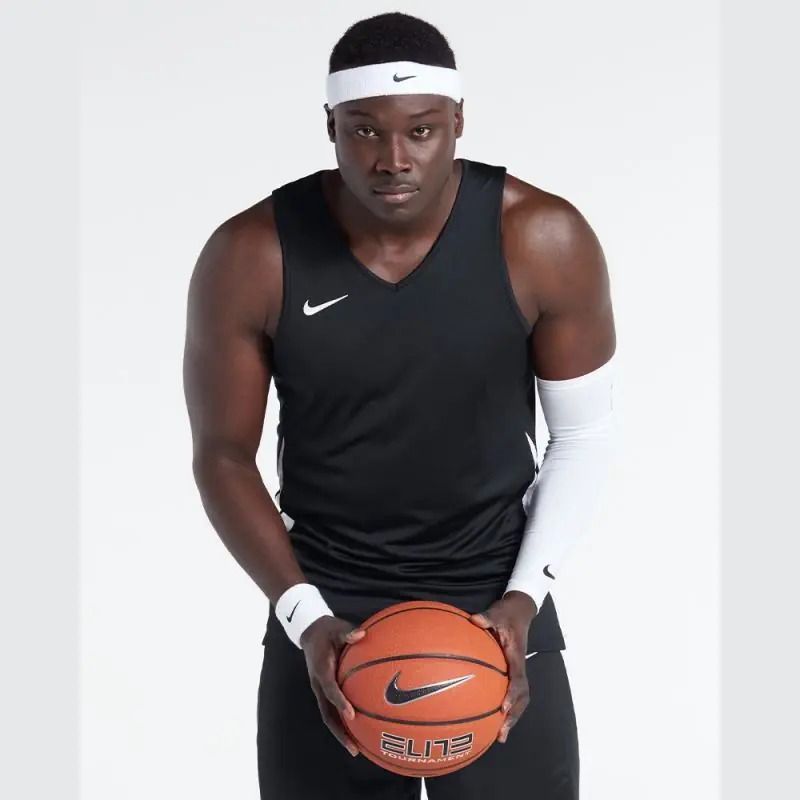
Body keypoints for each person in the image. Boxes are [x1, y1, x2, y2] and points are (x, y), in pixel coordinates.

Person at [183, 11, 616, 800]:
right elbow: (222, 456)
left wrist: (524, 599)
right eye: (364, 131)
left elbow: (583, 434)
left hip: (496, 603)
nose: (393, 159)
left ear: (458, 122)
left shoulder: (541, 239)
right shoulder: (253, 255)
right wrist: (305, 618)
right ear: (330, 126)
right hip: (325, 608)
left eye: (421, 130)